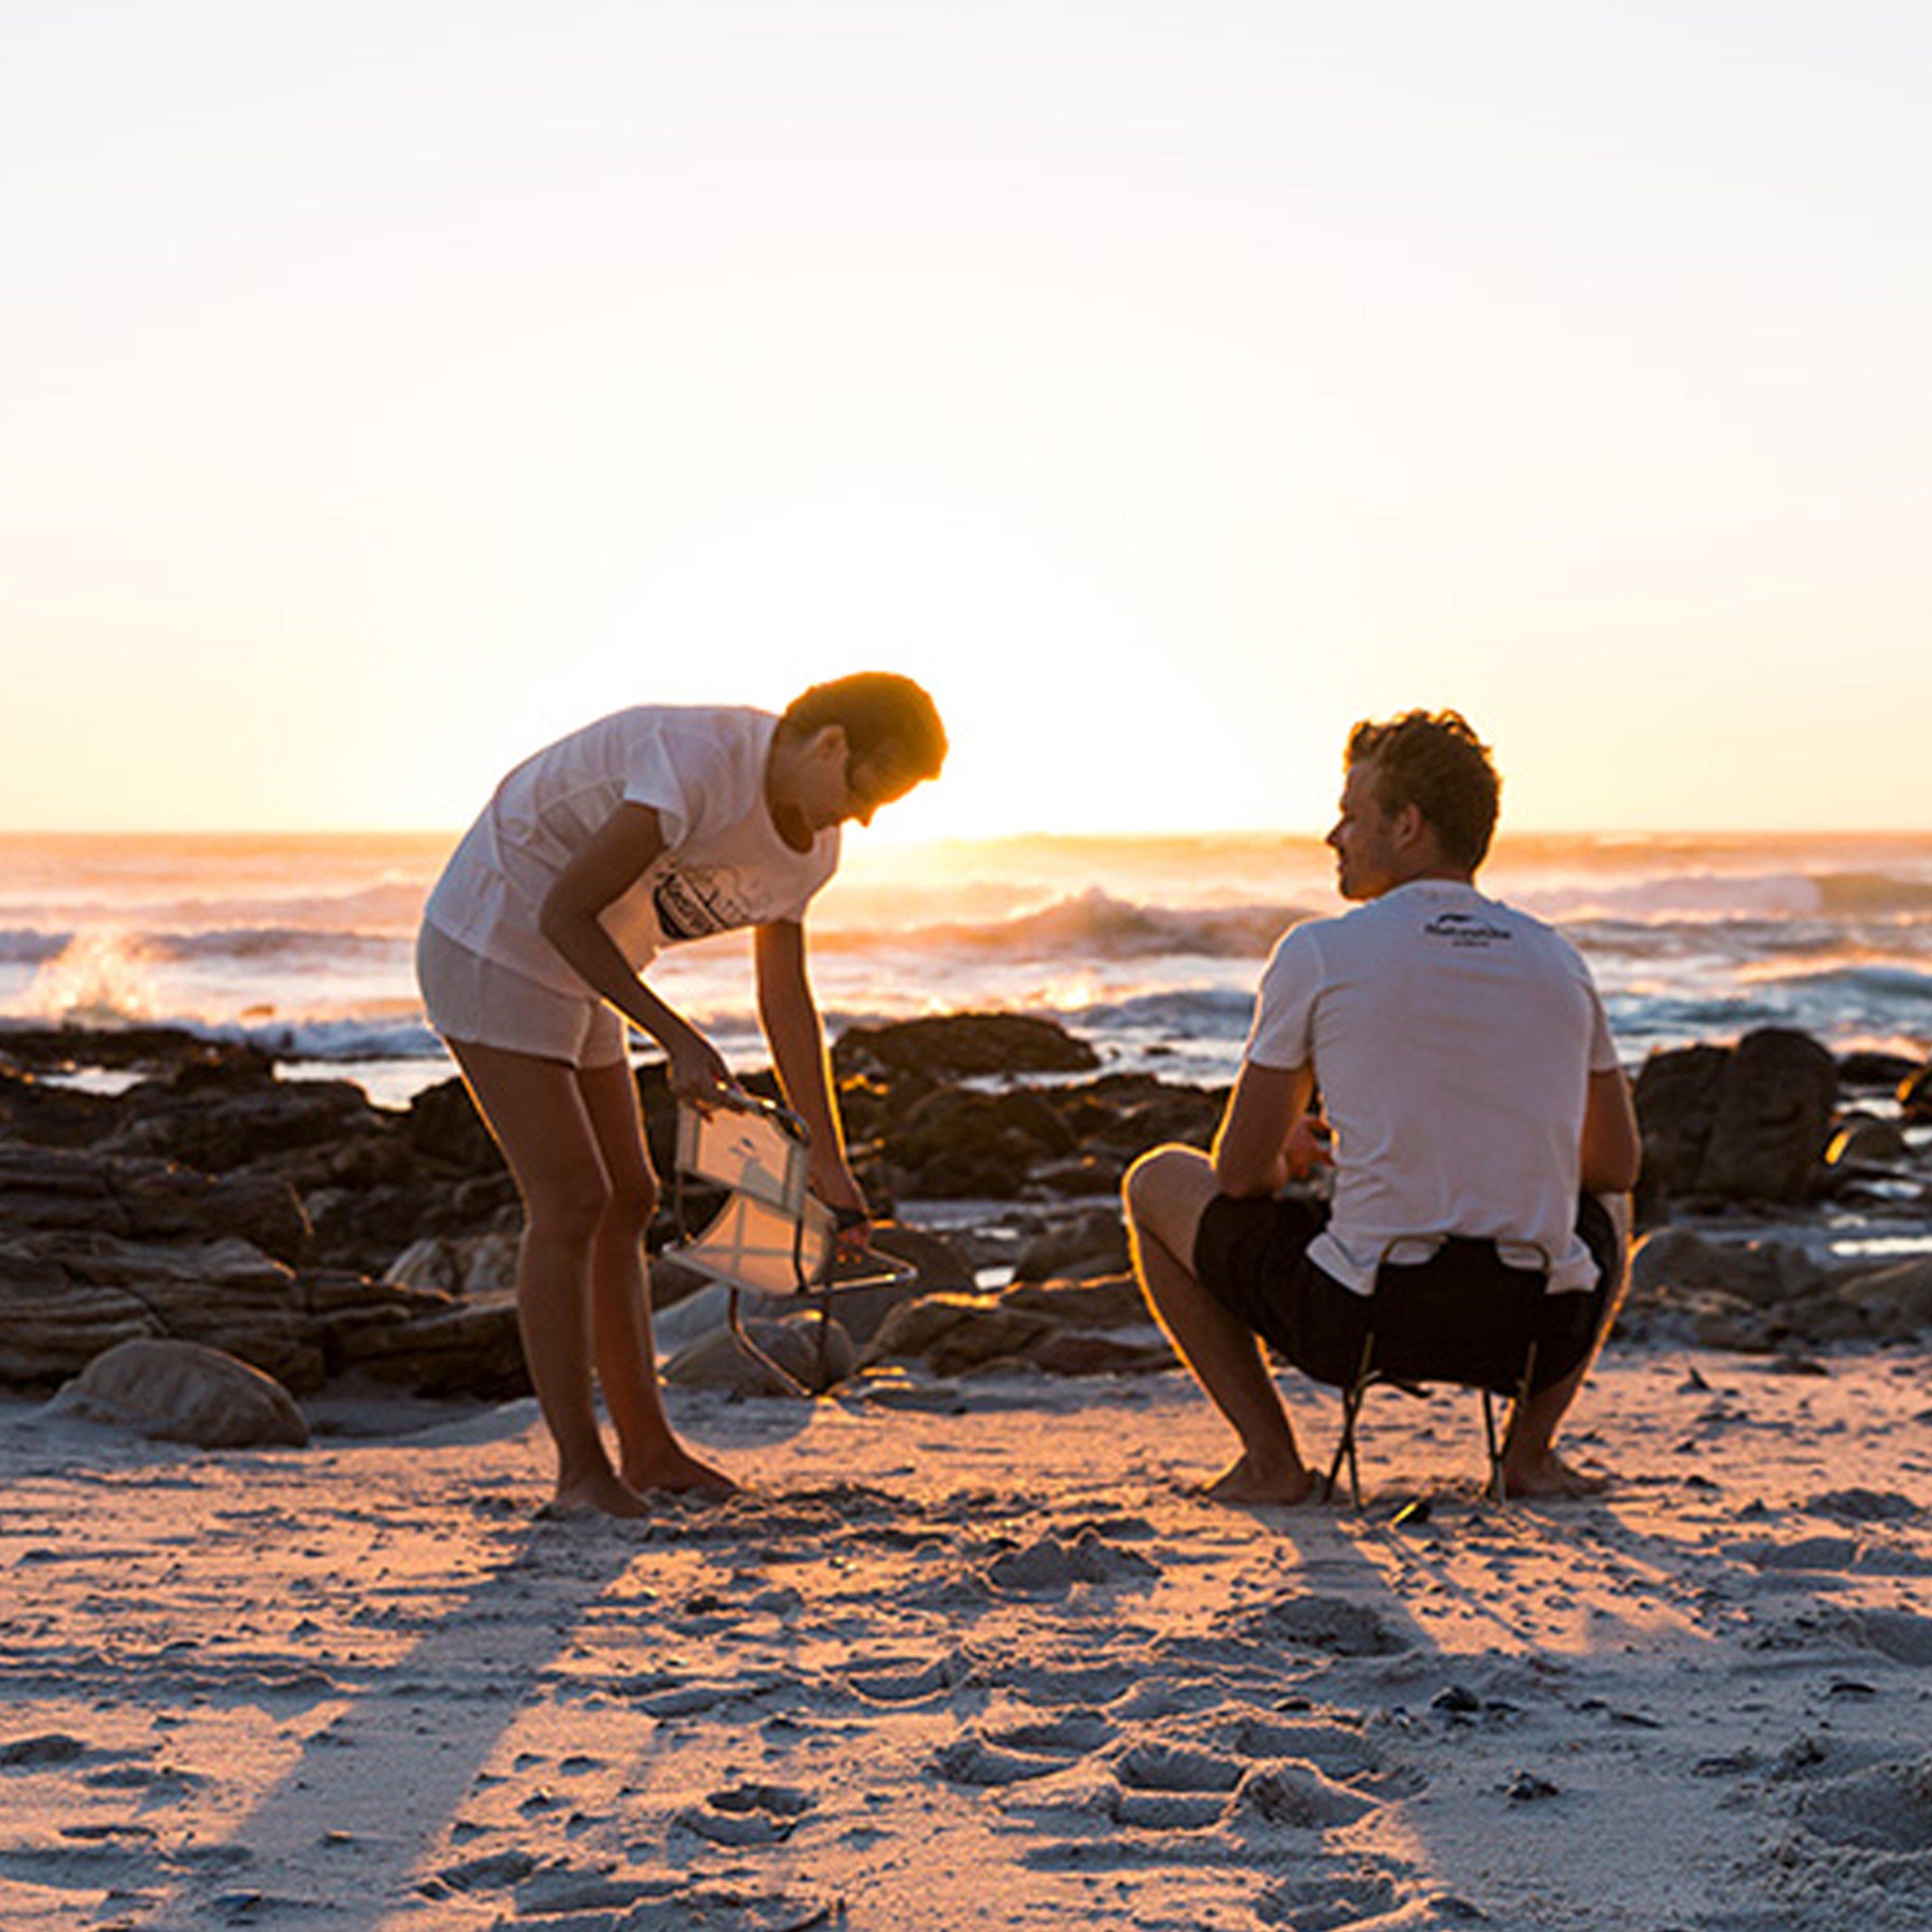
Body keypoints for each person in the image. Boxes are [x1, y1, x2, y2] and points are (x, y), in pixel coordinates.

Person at [416, 674, 947, 1517]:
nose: (867, 817)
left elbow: (786, 1005)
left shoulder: (813, 846)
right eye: (868, 788)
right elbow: (562, 911)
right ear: (831, 743)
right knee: (570, 1202)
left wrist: (830, 1170)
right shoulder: (697, 762)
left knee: (630, 1197)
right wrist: (678, 1039)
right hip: (495, 935)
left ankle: (651, 1453)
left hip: (589, 967)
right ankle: (580, 1475)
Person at [1124, 709, 1641, 1504]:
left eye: (1351, 815)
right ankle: (1530, 1456)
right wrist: (1504, 1163)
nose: (1334, 835)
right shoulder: (1557, 958)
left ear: (1407, 825)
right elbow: (1614, 1165)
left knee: (1157, 1180)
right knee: (1612, 1202)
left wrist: (1280, 1159)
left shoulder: (1320, 952)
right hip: (1534, 1328)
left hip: (1359, 1321)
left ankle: (1272, 1463)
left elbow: (1234, 1176)